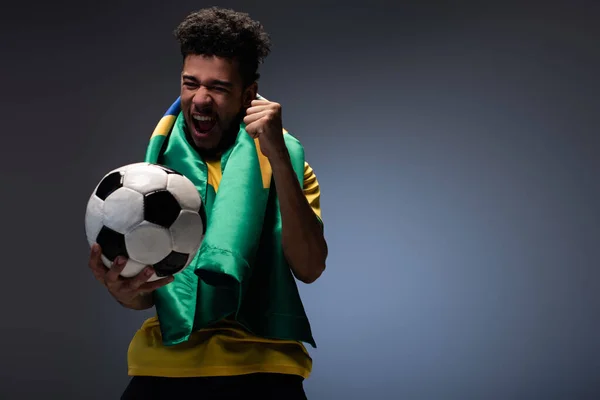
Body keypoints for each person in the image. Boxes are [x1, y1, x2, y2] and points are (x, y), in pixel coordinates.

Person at [87, 7, 328, 400]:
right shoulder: (152, 179)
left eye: (218, 87)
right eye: (190, 83)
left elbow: (310, 266)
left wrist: (280, 159)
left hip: (264, 368)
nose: (199, 99)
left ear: (249, 95)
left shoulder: (289, 167)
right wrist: (123, 289)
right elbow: (148, 292)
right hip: (164, 367)